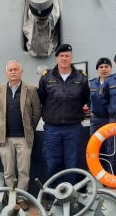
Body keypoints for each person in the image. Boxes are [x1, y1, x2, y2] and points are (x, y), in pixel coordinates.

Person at [38, 44, 90, 192]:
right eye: (61, 56)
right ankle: (53, 195)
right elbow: (41, 98)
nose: (64, 58)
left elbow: (85, 97)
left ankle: (70, 195)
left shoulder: (81, 77)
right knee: (53, 162)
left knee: (71, 162)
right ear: (57, 58)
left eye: (67, 56)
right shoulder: (47, 77)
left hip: (73, 127)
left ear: (71, 58)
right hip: (52, 128)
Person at [0, 60, 41, 211]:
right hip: (5, 138)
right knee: (8, 171)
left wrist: (28, 126)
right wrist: (3, 123)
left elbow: (36, 112)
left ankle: (20, 198)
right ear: (6, 73)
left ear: (21, 72)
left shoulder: (31, 89)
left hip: (24, 138)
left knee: (23, 170)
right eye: (10, 70)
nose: (13, 72)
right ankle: (11, 197)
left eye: (15, 69)